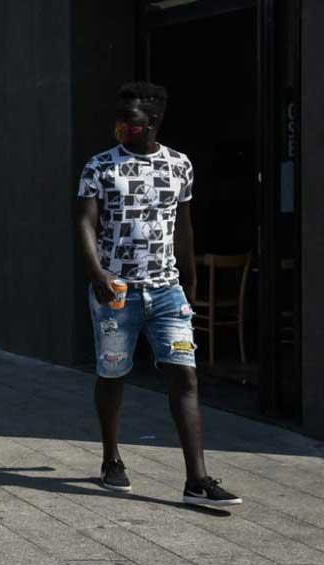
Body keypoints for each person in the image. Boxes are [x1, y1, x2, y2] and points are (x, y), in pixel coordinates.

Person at [75, 82, 241, 507]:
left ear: (152, 123)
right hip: (117, 291)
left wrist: (189, 278)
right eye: (118, 120)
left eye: (128, 121)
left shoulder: (180, 165)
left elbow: (183, 225)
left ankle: (196, 480)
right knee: (113, 373)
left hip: (167, 291)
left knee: (184, 375)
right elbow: (86, 224)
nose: (120, 127)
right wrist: (98, 274)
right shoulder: (100, 166)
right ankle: (112, 459)